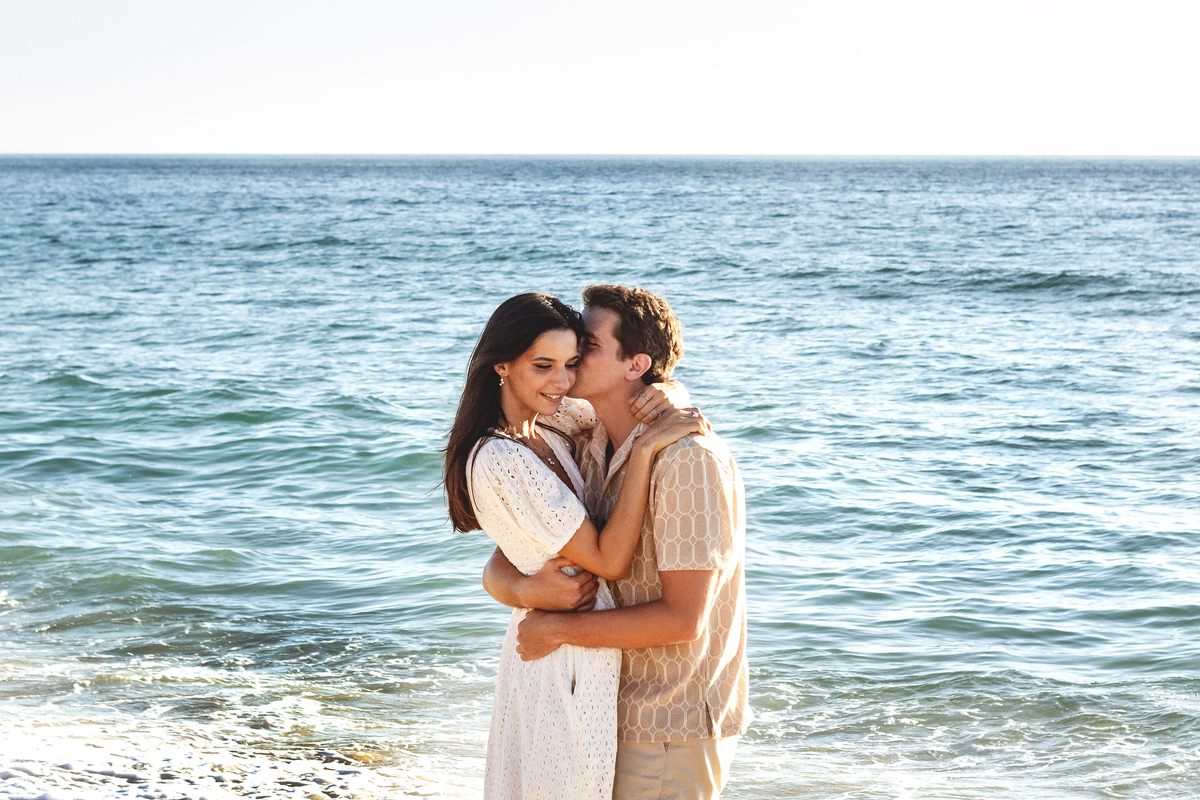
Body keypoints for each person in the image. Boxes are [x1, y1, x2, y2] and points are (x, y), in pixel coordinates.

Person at [483, 285, 751, 800]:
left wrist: (557, 630)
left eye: (587, 345)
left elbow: (683, 619)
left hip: (670, 723)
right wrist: (522, 590)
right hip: (602, 713)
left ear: (636, 365)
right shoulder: (592, 442)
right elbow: (509, 554)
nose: (571, 356)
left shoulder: (689, 461)